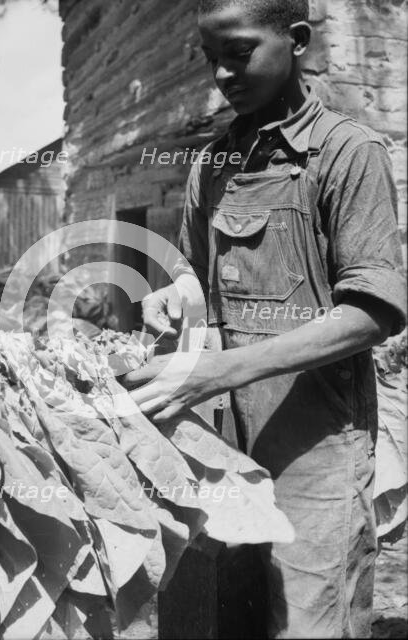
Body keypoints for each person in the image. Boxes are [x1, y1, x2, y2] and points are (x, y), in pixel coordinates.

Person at [123, 0, 407, 637]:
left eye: (240, 52)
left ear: (297, 41)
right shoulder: (213, 165)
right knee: (229, 610)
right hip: (222, 441)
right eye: (211, 60)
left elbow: (372, 312)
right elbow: (196, 280)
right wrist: (171, 300)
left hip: (317, 445)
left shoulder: (345, 154)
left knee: (310, 619)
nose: (222, 74)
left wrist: (219, 370)